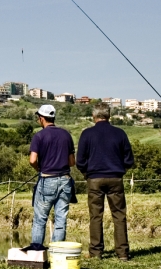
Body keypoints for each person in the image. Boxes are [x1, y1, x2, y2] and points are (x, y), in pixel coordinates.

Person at [76, 103, 134, 260]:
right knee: (119, 215)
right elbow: (129, 159)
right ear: (109, 116)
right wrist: (120, 170)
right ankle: (122, 253)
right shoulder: (120, 133)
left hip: (94, 179)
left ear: (94, 117)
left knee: (96, 216)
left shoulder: (87, 134)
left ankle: (96, 253)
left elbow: (80, 160)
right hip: (116, 177)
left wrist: (87, 173)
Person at [29, 104, 76, 246]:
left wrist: (38, 168)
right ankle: (57, 254)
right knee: (61, 219)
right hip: (65, 180)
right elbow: (72, 162)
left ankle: (37, 252)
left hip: (47, 180)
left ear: (42, 118)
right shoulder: (66, 135)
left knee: (40, 219)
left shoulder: (39, 136)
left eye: (38, 118)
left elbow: (32, 160)